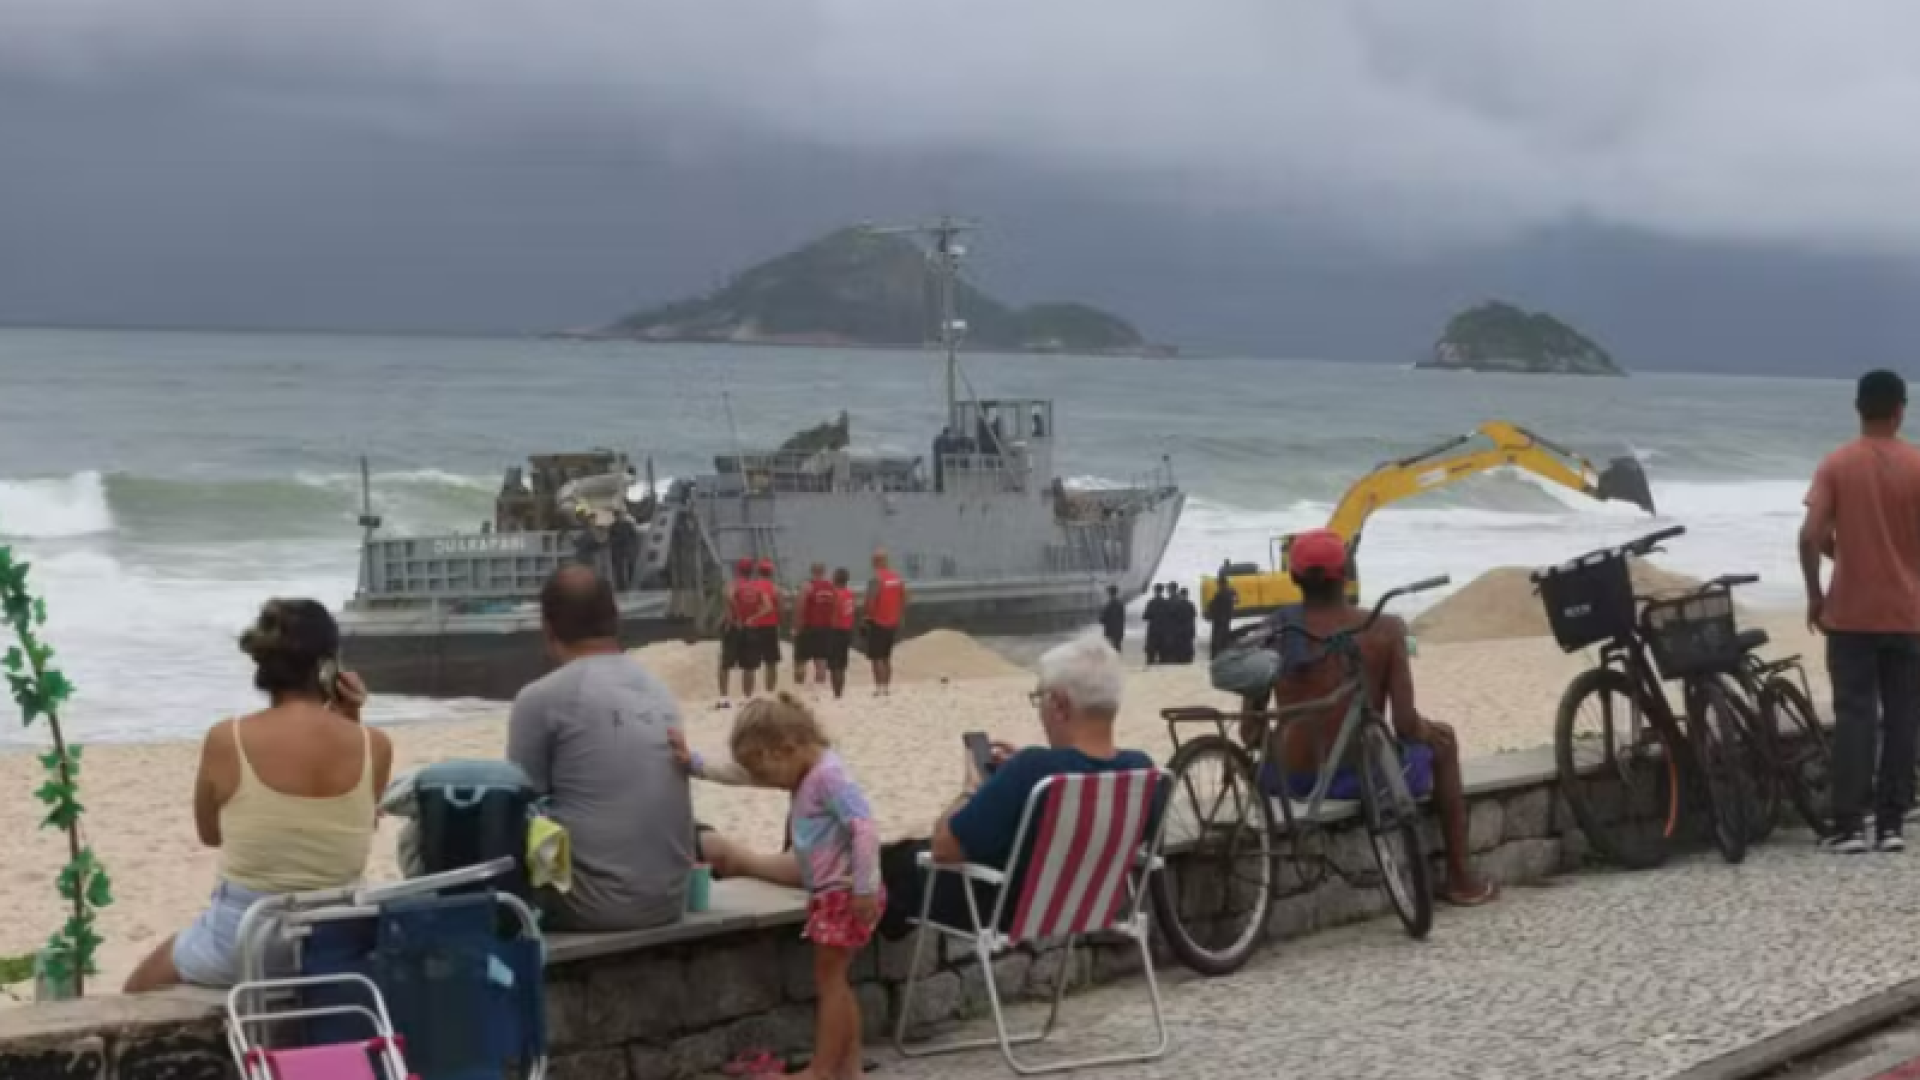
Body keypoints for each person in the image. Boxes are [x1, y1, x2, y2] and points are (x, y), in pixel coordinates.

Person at [126, 599, 391, 992]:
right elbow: (360, 825)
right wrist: (351, 718)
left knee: (137, 988)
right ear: (328, 667)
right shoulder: (375, 745)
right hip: (335, 944)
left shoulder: (226, 738)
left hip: (245, 938)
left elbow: (210, 834)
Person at [1266, 528, 1495, 906]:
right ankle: (1460, 878)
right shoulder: (1385, 629)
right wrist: (1429, 731)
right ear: (1347, 574)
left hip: (1284, 779)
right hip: (1351, 778)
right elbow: (1406, 724)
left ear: (1293, 577)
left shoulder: (1275, 629)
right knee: (1445, 743)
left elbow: (1248, 730)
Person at [877, 634, 1153, 937]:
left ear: (1060, 704)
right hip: (1086, 907)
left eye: (1040, 698)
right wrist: (1018, 771)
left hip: (1005, 909)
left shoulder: (1033, 771)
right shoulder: (1143, 771)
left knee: (898, 861)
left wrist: (972, 787)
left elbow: (945, 847)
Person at [677, 695, 882, 1080]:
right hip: (831, 893)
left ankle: (820, 1070)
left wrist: (865, 888)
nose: (766, 782)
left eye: (768, 771)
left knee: (830, 981)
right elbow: (744, 775)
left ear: (787, 747)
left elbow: (864, 827)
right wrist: (696, 765)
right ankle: (849, 1067)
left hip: (842, 893)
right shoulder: (804, 769)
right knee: (839, 980)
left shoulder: (828, 776)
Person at [1800, 369, 1920, 854]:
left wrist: (1816, 591)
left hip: (1850, 615)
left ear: (1858, 408)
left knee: (1855, 716)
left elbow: (1810, 536)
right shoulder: (1916, 465)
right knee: (1903, 716)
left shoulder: (1837, 464)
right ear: (1900, 410)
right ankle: (1892, 824)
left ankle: (1849, 824)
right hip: (1909, 614)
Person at [863, 549, 907, 697]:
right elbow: (904, 597)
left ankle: (879, 687)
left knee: (877, 657)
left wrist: (866, 617)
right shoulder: (897, 578)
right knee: (887, 657)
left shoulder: (876, 579)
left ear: (876, 562)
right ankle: (887, 687)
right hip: (893, 623)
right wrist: (899, 615)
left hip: (878, 622)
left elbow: (870, 601)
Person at [717, 558, 754, 708]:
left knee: (725, 664)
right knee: (748, 664)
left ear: (737, 570)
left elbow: (729, 596)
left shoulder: (733, 584)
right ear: (751, 571)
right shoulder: (754, 587)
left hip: (733, 627)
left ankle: (725, 697)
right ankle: (747, 697)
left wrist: (734, 617)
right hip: (750, 627)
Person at [796, 562, 838, 688]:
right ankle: (820, 685)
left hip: (810, 626)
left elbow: (800, 607)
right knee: (821, 659)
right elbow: (836, 607)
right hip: (826, 627)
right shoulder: (831, 587)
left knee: (801, 658)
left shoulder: (808, 586)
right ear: (824, 571)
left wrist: (797, 626)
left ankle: (799, 686)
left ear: (812, 571)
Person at [749, 558, 784, 694]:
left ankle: (750, 692)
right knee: (771, 662)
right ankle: (770, 691)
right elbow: (780, 608)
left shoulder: (753, 586)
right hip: (770, 627)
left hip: (754, 627)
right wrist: (779, 622)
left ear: (758, 572)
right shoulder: (775, 588)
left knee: (750, 662)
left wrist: (751, 618)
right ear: (771, 573)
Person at [827, 568, 858, 699]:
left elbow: (834, 614)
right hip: (847, 630)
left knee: (834, 666)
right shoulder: (850, 594)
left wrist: (829, 629)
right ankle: (840, 692)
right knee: (842, 664)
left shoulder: (835, 594)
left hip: (836, 631)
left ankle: (836, 693)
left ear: (836, 579)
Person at [1207, 562, 1238, 659]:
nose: (1218, 586)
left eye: (1219, 584)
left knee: (1217, 637)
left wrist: (1211, 612)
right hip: (1227, 617)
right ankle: (1225, 654)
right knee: (1225, 636)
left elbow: (1212, 606)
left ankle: (1215, 655)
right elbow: (1237, 600)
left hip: (1219, 619)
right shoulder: (1232, 592)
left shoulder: (1220, 594)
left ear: (1221, 584)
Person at [608, 509, 642, 592]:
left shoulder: (628, 525)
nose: (621, 517)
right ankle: (621, 588)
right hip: (618, 550)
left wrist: (634, 547)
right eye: (619, 515)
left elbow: (634, 537)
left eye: (622, 515)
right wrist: (617, 540)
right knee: (618, 570)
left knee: (631, 567)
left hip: (628, 549)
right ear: (615, 516)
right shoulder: (612, 527)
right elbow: (610, 540)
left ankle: (633, 585)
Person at [1142, 584, 1167, 665]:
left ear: (1155, 591)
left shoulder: (1151, 602)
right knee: (1163, 657)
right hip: (1163, 632)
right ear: (1162, 590)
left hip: (1153, 631)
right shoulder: (1166, 603)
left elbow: (1145, 616)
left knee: (1150, 657)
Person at [1099, 584, 1127, 653]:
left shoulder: (1108, 605)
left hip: (1109, 630)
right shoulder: (1120, 604)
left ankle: (1112, 662)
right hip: (1119, 630)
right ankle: (1117, 661)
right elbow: (1123, 618)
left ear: (1109, 593)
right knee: (1117, 647)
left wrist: (1101, 619)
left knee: (1109, 648)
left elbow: (1103, 619)